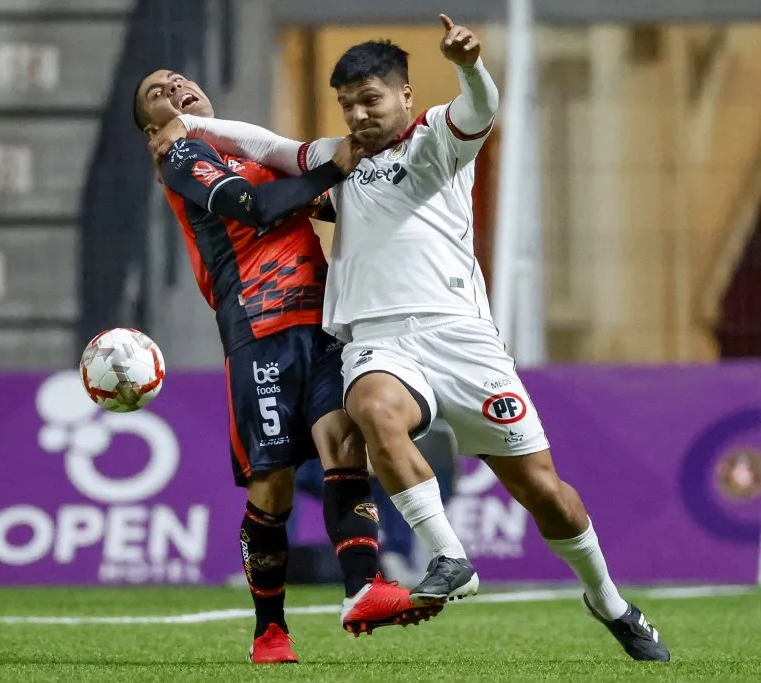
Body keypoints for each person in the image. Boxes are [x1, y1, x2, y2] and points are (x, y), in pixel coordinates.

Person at [146, 16, 671, 662]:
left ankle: (608, 598)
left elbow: (482, 107)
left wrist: (470, 66)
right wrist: (193, 128)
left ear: (405, 97)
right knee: (369, 409)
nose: (360, 114)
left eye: (372, 100)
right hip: (377, 340)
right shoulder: (337, 160)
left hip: (463, 341)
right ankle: (449, 556)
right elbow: (270, 146)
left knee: (545, 492)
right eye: (348, 104)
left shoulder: (438, 141)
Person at [132, 69, 428, 665]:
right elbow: (257, 207)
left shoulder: (250, 147)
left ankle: (364, 588)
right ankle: (270, 630)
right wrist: (335, 164)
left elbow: (338, 202)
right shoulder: (183, 157)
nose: (175, 88)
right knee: (275, 487)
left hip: (322, 325)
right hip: (257, 333)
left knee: (344, 440)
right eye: (157, 94)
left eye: (179, 80)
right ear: (151, 132)